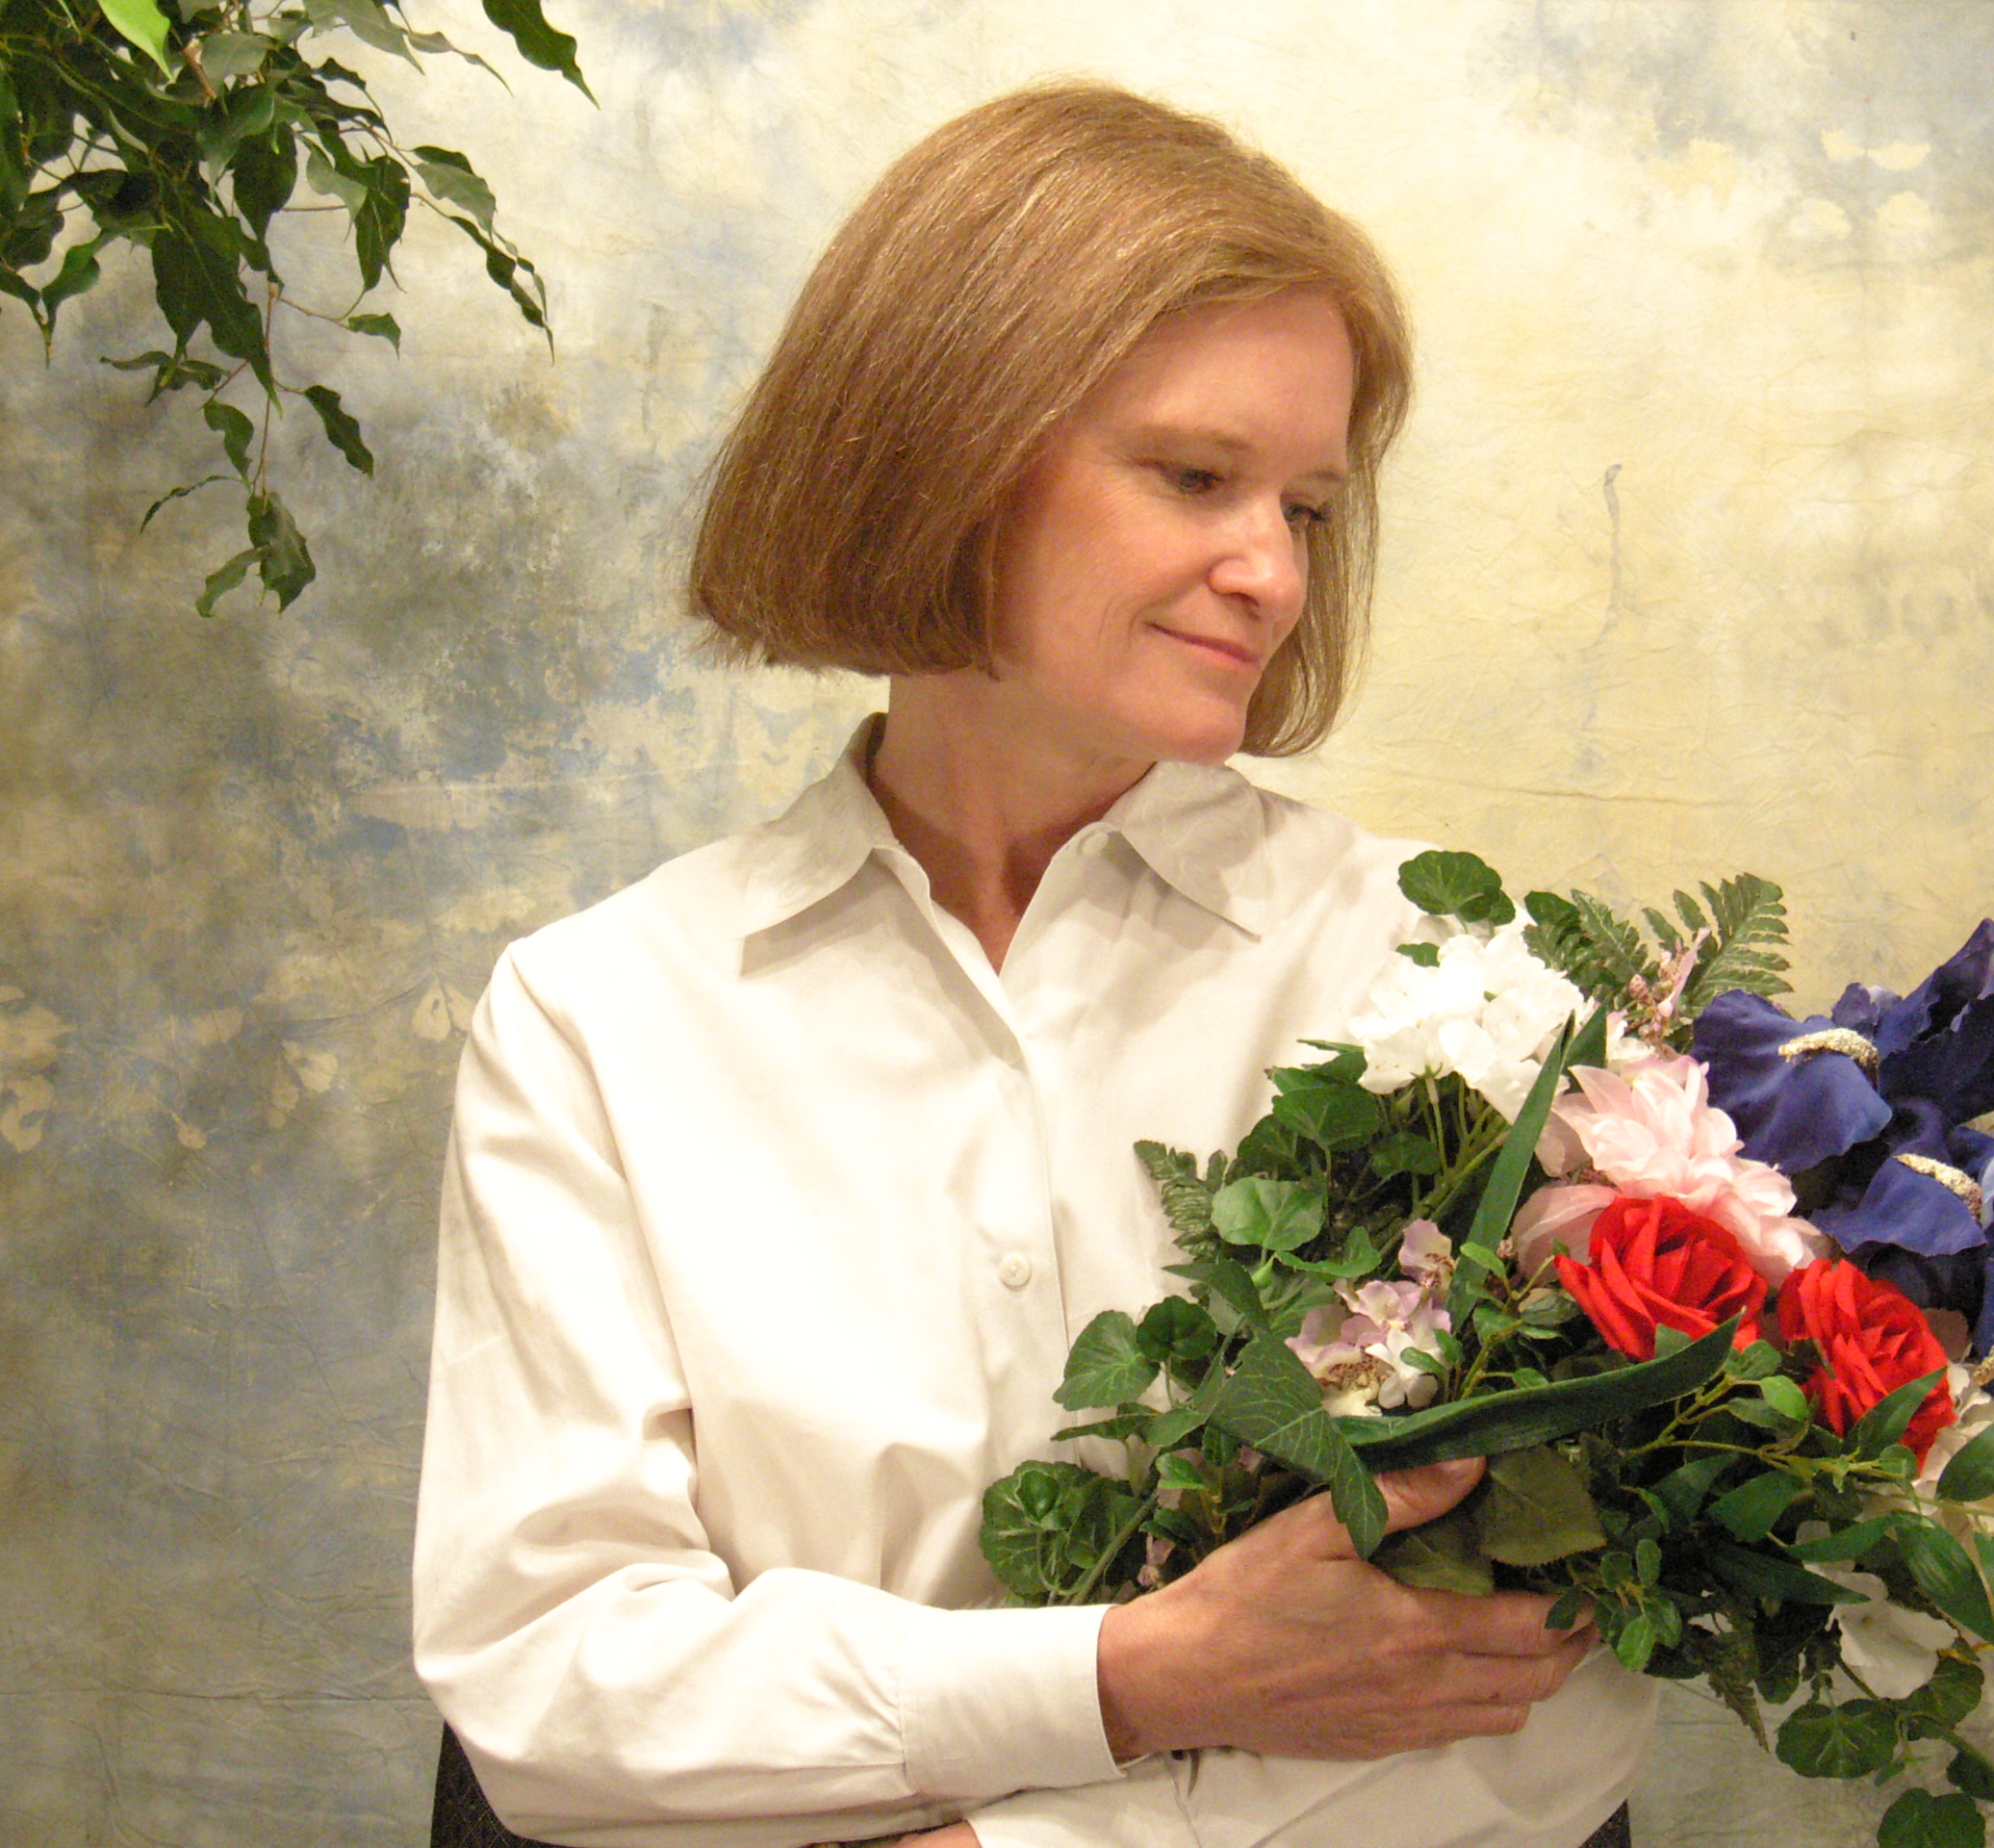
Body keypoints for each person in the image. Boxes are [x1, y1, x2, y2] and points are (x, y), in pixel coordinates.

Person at [413, 83, 1658, 1848]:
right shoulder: (600, 1018)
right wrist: (1135, 1680)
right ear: (941, 454)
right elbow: (554, 1682)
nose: (1272, 573)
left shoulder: (1450, 985)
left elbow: (1551, 1677)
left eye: (1308, 506)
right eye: (1196, 477)